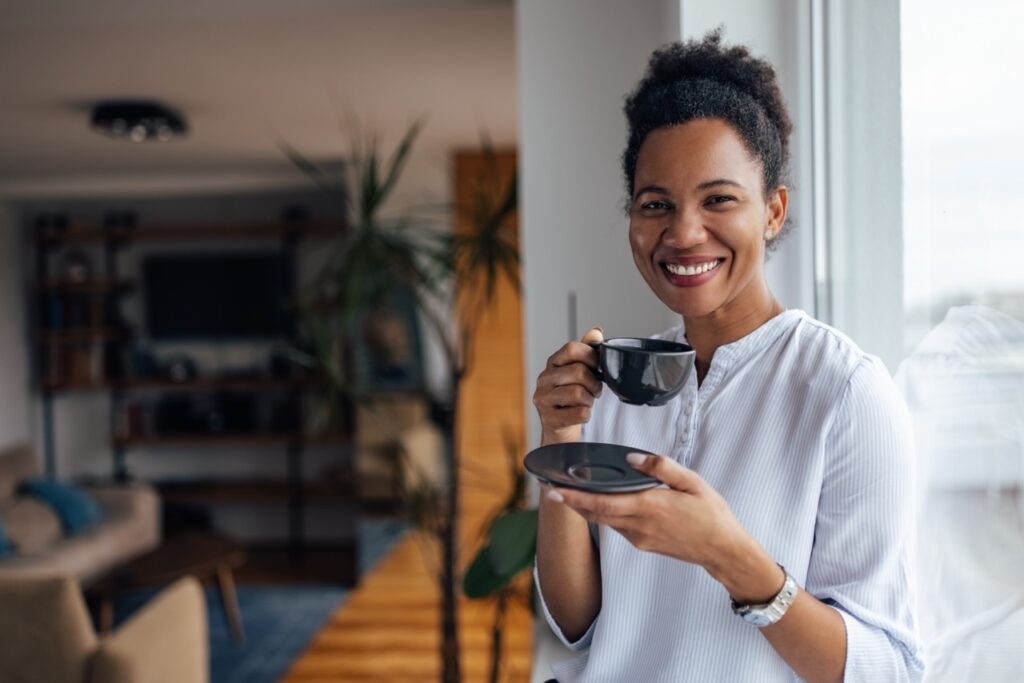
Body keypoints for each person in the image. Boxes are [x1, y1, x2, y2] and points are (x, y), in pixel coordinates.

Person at [532, 31, 923, 682]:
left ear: (773, 210)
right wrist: (560, 439)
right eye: (656, 204)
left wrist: (729, 555)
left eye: (719, 199)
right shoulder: (622, 383)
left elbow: (892, 668)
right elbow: (580, 625)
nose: (683, 232)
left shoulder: (844, 391)